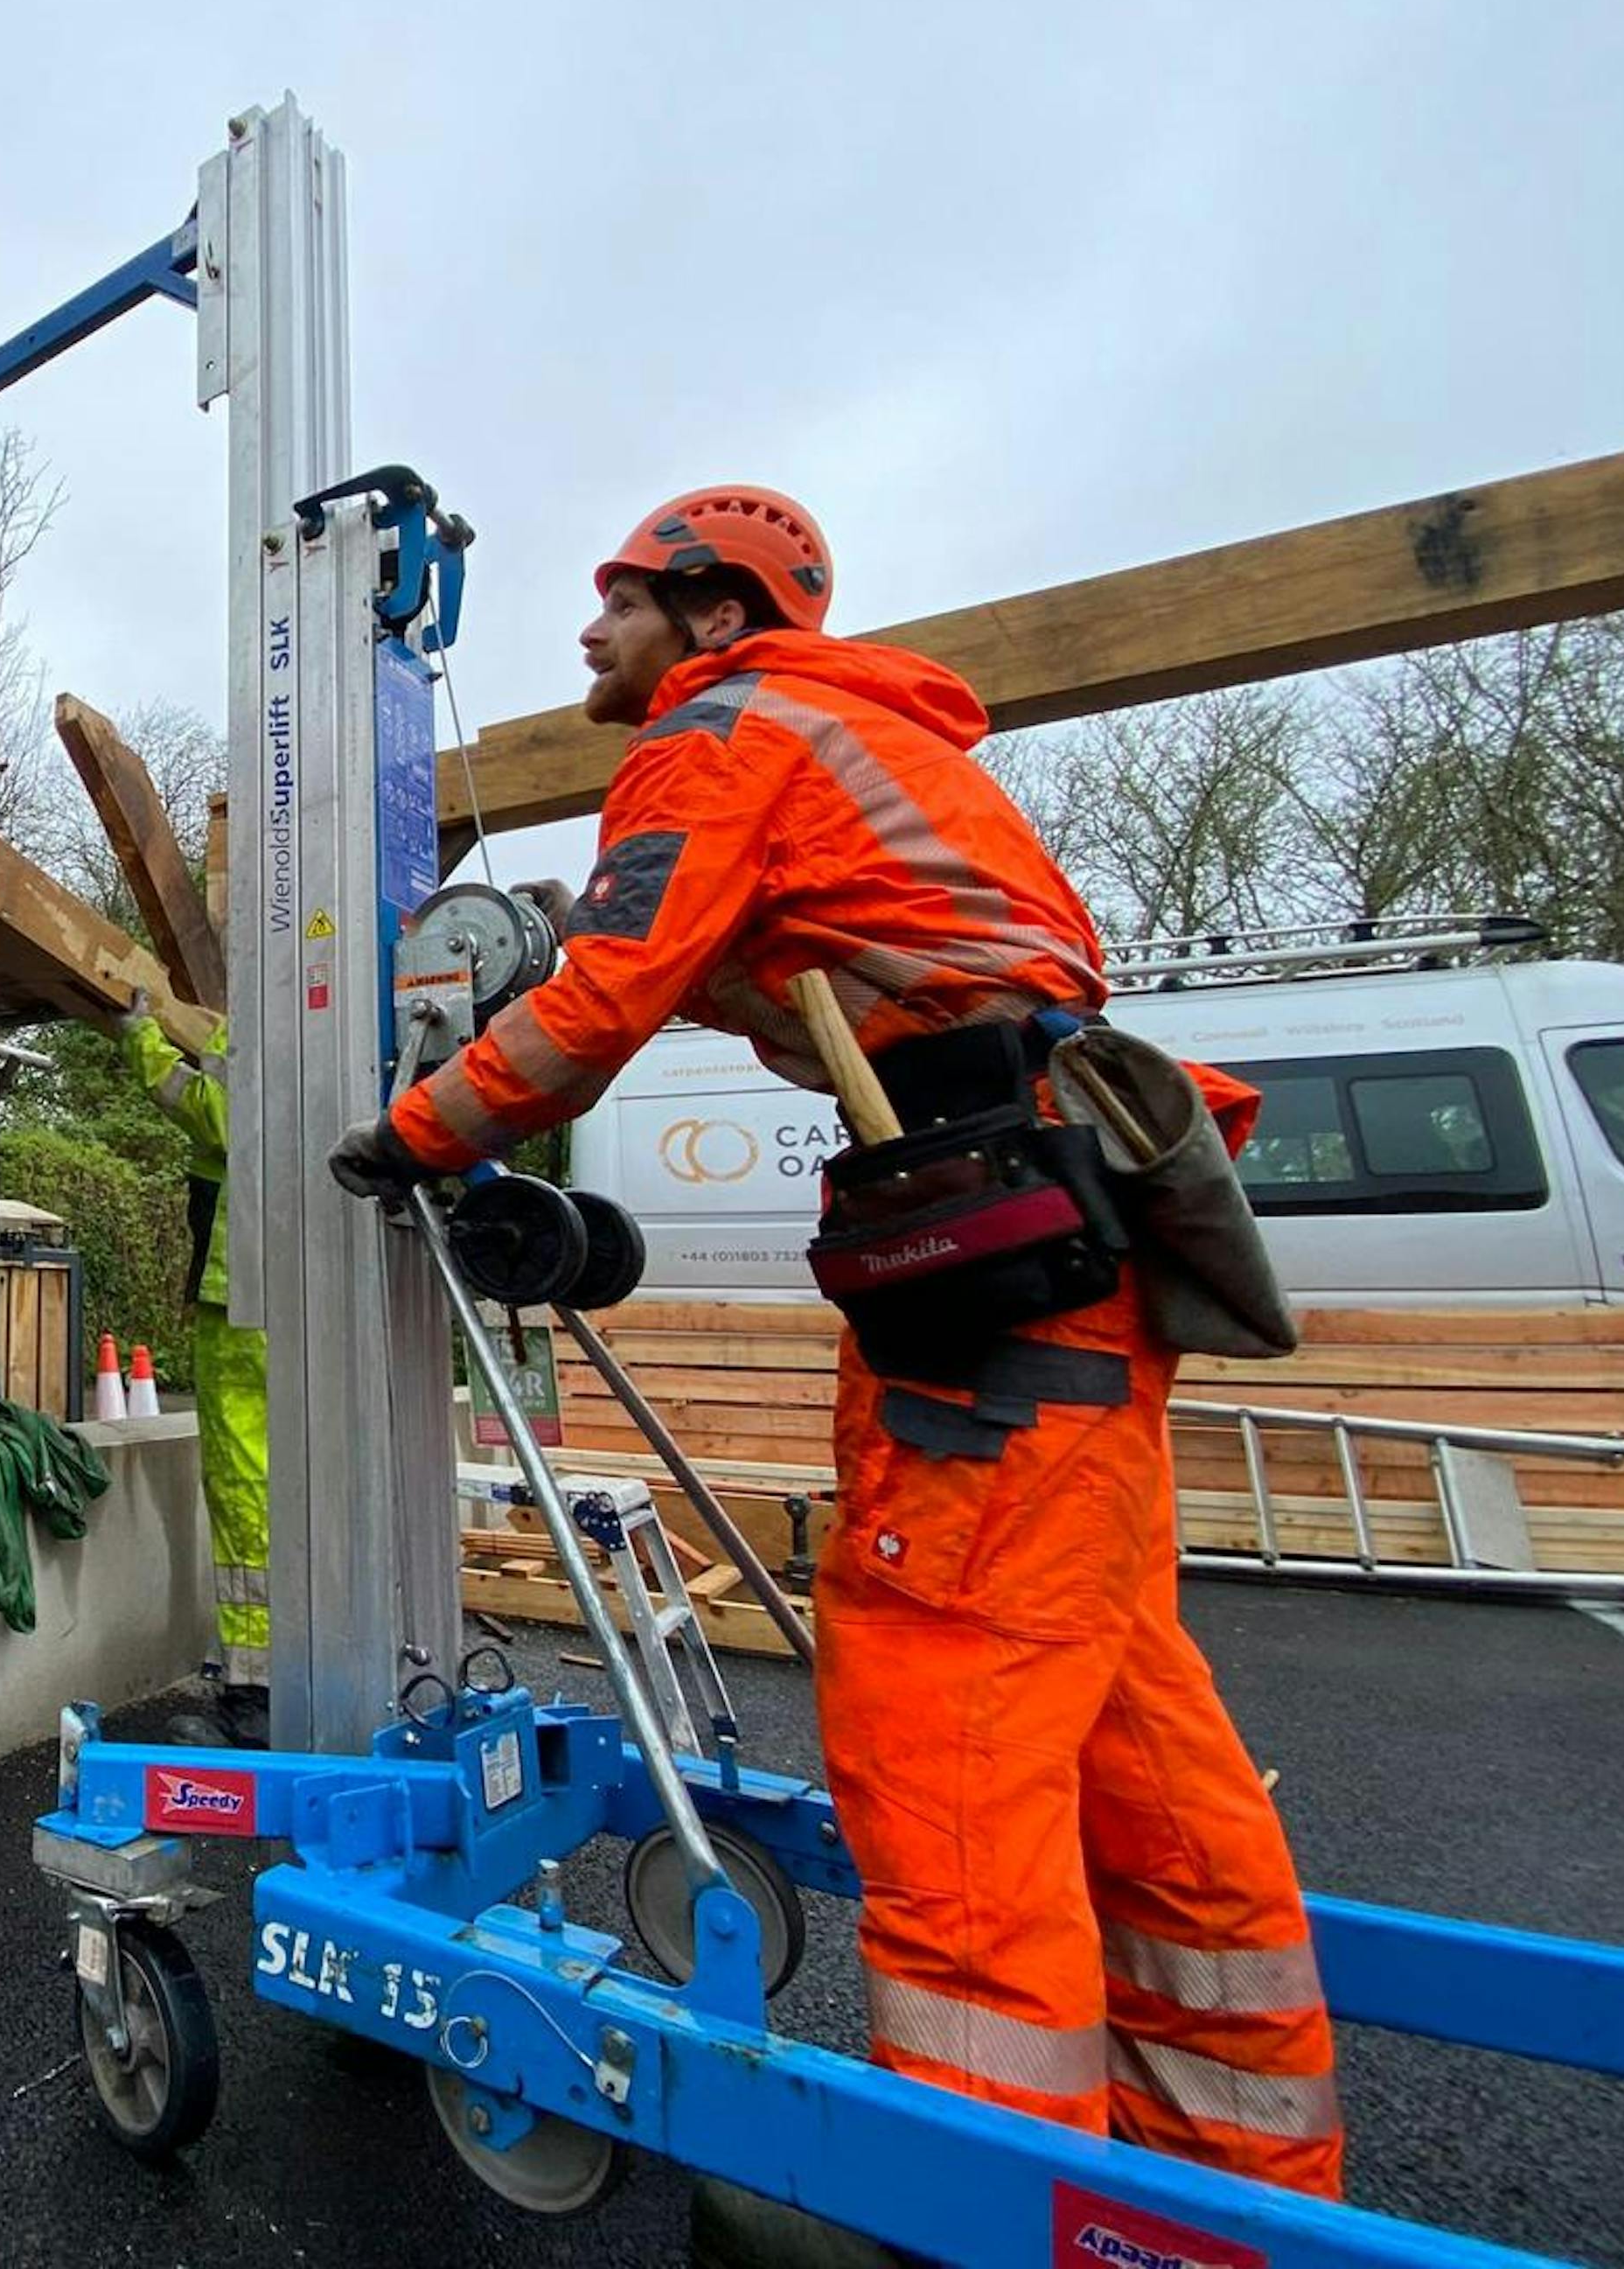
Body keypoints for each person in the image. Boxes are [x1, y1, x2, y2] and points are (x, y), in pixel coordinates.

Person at [330, 487, 1343, 2202]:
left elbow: (606, 995)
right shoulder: (878, 747)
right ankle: (1234, 2185)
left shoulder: (723, 726)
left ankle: (996, 2209)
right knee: (1130, 1736)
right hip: (1072, 1254)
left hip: (993, 1289)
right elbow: (766, 955)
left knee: (950, 1729)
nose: (594, 634)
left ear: (717, 618)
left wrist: (412, 1134)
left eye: (626, 602)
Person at [115, 997, 271, 1748]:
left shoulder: (266, 1025)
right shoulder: (342, 1019)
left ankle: (258, 1693)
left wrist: (144, 1037)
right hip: (307, 1293)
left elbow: (218, 1114)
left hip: (245, 1290)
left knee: (246, 1487)